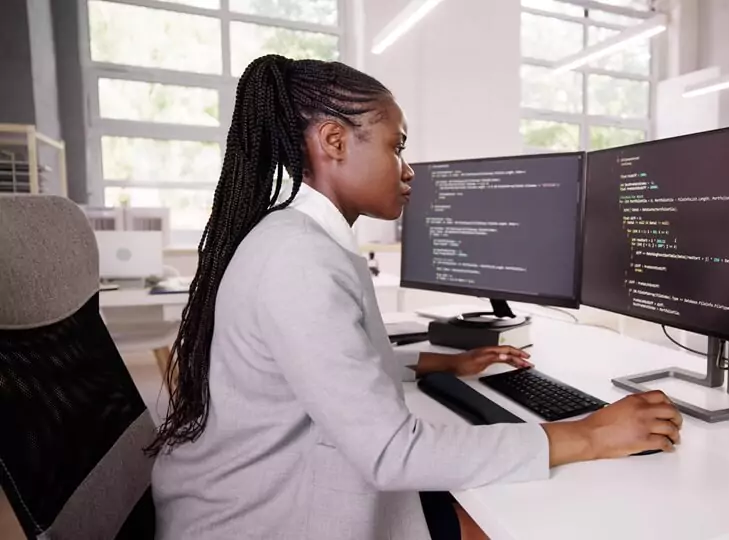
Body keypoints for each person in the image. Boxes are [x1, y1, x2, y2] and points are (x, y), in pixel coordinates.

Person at [149, 55, 682, 540]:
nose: (409, 170)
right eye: (396, 146)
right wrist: (588, 435)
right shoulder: (298, 263)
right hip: (260, 521)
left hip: (269, 491)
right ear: (334, 141)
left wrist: (434, 363)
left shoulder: (295, 241)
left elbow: (323, 364)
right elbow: (392, 452)